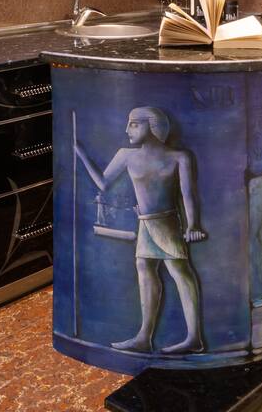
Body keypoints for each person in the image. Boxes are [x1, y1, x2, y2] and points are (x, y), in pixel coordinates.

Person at [75, 106, 205, 354]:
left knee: (179, 271)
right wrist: (81, 154)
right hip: (145, 222)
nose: (127, 130)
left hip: (166, 223)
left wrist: (193, 225)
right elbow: (103, 183)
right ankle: (144, 337)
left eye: (134, 124)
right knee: (145, 267)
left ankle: (193, 338)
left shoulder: (179, 157)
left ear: (153, 126)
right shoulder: (126, 155)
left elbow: (188, 195)